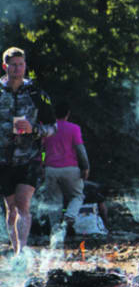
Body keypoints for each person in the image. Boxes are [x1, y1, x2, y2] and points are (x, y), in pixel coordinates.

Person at [0, 47, 56, 254]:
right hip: (3, 160)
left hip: (30, 157)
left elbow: (53, 127)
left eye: (21, 64)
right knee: (11, 207)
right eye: (13, 65)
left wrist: (34, 130)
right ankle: (15, 249)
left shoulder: (35, 94)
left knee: (23, 203)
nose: (17, 69)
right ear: (5, 67)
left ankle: (21, 252)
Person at [42, 100, 90, 234]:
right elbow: (80, 150)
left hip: (50, 169)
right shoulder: (74, 128)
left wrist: (42, 166)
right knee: (77, 196)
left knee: (54, 202)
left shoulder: (47, 129)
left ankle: (56, 233)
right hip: (71, 169)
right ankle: (70, 216)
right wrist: (85, 167)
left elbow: (42, 150)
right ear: (68, 114)